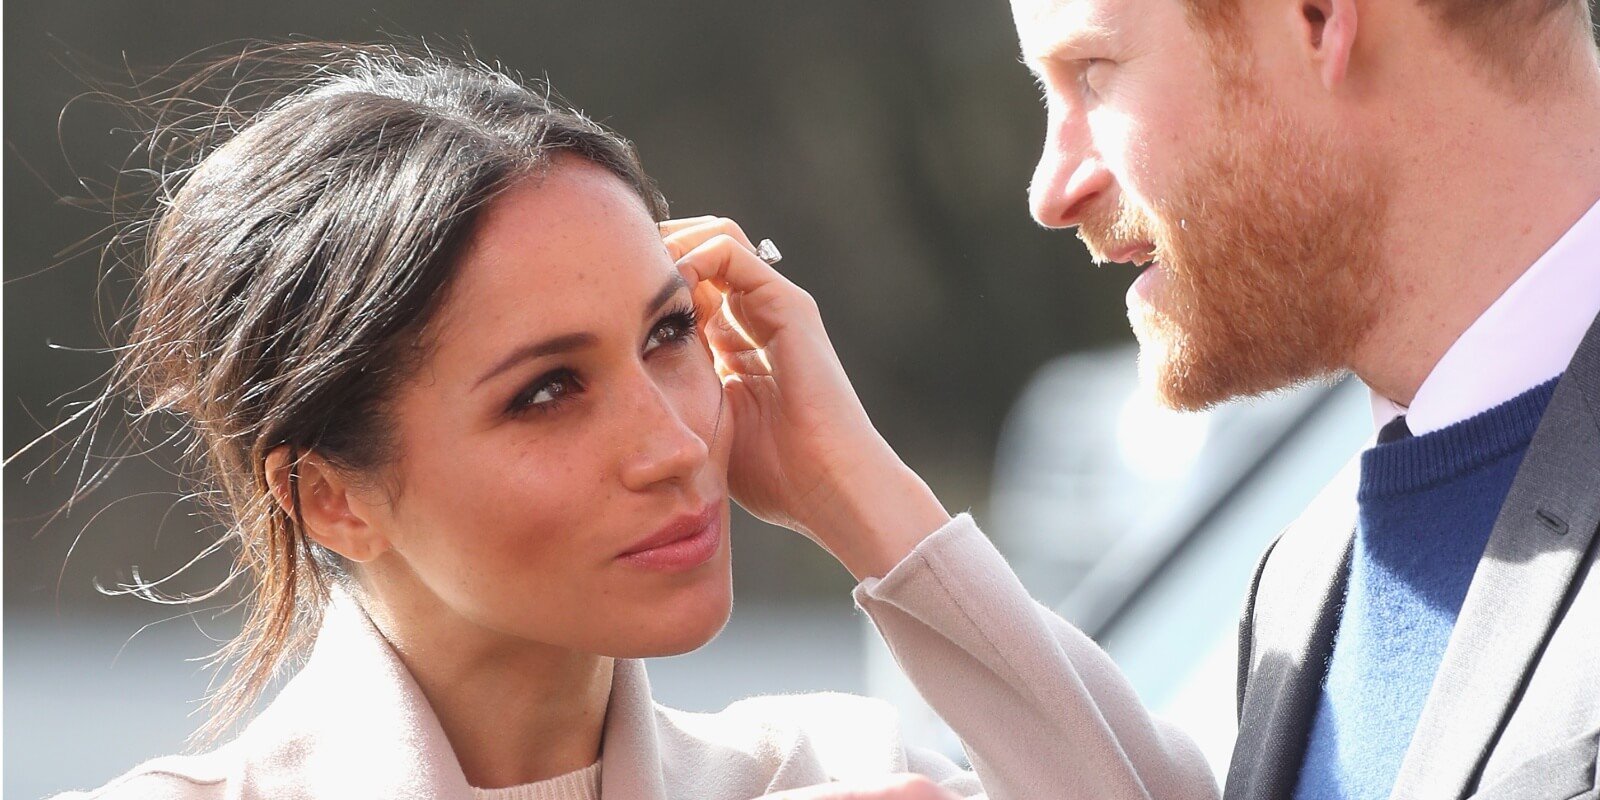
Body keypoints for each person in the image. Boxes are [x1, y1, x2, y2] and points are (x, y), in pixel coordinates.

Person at [48, 44, 1215, 800]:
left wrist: (854, 485)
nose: (671, 443)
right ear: (329, 495)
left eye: (667, 336)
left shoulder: (835, 771)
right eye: (545, 391)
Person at [695, 0, 1600, 794]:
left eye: (1092, 72)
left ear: (1319, 18)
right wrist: (851, 492)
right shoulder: (1307, 576)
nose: (1053, 191)